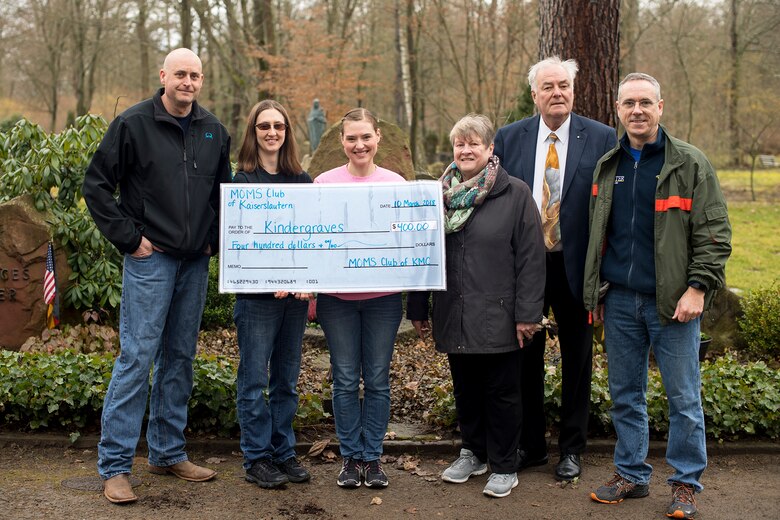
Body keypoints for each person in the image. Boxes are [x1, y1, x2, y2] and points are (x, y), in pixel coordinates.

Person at [83, 48, 232, 504]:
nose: (187, 82)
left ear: (202, 80)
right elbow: (96, 185)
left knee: (180, 358)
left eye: (195, 75)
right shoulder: (133, 124)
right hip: (151, 260)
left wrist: (214, 241)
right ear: (163, 76)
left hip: (194, 263)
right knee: (137, 357)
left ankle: (168, 452)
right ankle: (114, 467)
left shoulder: (214, 131)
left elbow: (222, 193)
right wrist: (131, 239)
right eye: (180, 74)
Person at [584, 73, 731, 519]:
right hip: (622, 300)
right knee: (625, 393)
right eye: (629, 103)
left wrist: (698, 287)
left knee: (683, 398)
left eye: (646, 102)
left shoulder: (689, 163)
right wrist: (597, 293)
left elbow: (714, 233)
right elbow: (599, 235)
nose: (637, 111)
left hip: (674, 305)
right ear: (617, 108)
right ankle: (631, 473)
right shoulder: (608, 165)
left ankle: (685, 485)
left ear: (661, 107)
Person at [407, 114, 546, 498]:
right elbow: (423, 252)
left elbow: (532, 260)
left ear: (490, 149)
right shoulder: (437, 196)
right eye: (460, 144)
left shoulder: (515, 194)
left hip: (501, 313)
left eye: (474, 144)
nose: (466, 150)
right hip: (455, 310)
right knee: (465, 388)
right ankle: (473, 452)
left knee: (503, 391)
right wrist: (419, 307)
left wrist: (527, 314)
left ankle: (504, 464)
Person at [493, 56, 617, 481]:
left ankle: (571, 448)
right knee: (523, 356)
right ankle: (530, 445)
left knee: (577, 360)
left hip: (576, 266)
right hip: (524, 266)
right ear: (535, 95)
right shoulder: (509, 138)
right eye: (547, 87)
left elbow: (610, 208)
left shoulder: (600, 137)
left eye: (563, 85)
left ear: (573, 90)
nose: (557, 93)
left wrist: (603, 277)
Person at [313, 108, 405, 489]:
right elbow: (313, 241)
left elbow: (408, 241)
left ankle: (374, 458)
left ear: (378, 137)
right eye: (352, 138)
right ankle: (351, 458)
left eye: (365, 136)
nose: (359, 144)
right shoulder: (323, 182)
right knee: (346, 378)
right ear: (342, 141)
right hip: (337, 299)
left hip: (384, 298)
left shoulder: (397, 183)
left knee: (379, 379)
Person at [232, 100, 313, 489]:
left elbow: (313, 239)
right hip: (257, 301)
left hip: (295, 299)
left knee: (286, 380)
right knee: (252, 381)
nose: (271, 132)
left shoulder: (302, 181)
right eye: (264, 126)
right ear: (254, 132)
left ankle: (284, 452)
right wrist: (269, 278)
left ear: (287, 132)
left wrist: (306, 278)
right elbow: (237, 244)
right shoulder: (241, 183)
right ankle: (257, 458)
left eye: (278, 126)